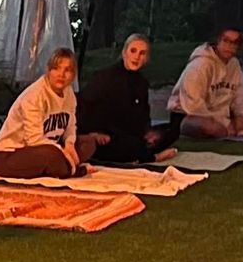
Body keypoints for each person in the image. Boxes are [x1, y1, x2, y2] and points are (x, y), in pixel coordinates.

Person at [76, 33, 183, 165]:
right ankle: (149, 157)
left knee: (171, 132)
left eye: (142, 53)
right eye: (133, 51)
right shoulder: (106, 78)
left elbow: (142, 114)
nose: (136, 57)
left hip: (131, 133)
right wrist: (95, 133)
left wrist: (148, 132)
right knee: (130, 145)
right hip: (106, 136)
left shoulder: (141, 82)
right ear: (124, 52)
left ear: (146, 58)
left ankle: (144, 150)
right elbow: (85, 107)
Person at [0, 46, 97, 177]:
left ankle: (61, 166)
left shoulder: (68, 92)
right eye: (56, 68)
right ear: (48, 70)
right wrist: (62, 151)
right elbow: (34, 140)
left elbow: (70, 125)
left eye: (67, 70)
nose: (61, 75)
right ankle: (73, 170)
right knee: (51, 155)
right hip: (12, 154)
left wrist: (69, 144)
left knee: (88, 143)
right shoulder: (34, 96)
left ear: (73, 74)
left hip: (48, 146)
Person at [168, 24, 243, 140]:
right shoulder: (200, 66)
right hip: (191, 114)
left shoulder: (234, 64)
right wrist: (226, 123)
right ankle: (233, 130)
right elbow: (194, 106)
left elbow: (239, 98)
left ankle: (230, 130)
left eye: (234, 43)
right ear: (217, 41)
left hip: (222, 115)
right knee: (211, 128)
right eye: (226, 41)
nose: (229, 46)